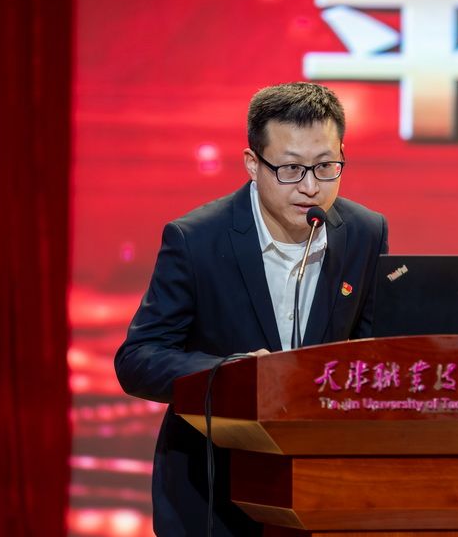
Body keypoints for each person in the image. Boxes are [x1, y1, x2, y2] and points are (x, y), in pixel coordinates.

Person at [115, 82, 389, 536]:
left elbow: (371, 349)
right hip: (213, 490)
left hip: (324, 488)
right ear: (252, 164)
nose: (310, 188)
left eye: (326, 167)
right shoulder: (196, 239)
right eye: (290, 169)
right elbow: (138, 359)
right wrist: (232, 375)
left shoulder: (365, 232)